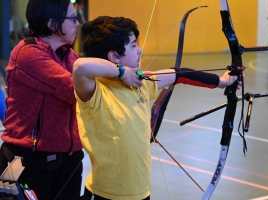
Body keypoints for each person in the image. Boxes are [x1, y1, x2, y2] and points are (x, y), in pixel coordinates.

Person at [73, 16, 242, 200]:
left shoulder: (141, 83)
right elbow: (80, 67)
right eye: (133, 45)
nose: (140, 50)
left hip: (141, 193)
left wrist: (222, 81)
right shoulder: (97, 92)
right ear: (114, 56)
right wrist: (122, 72)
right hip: (104, 195)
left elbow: (178, 74)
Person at [0, 0, 84, 199]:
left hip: (66, 158)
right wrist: (119, 72)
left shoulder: (68, 54)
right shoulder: (27, 53)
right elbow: (75, 90)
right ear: (51, 23)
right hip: (26, 159)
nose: (77, 23)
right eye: (72, 18)